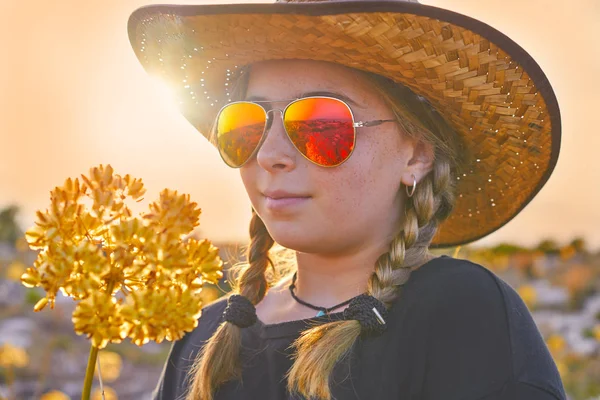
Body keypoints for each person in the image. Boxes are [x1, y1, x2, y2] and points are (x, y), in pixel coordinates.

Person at [127, 0, 566, 399]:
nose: (270, 154)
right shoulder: (205, 334)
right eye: (246, 124)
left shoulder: (458, 309)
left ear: (416, 155)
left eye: (321, 126)